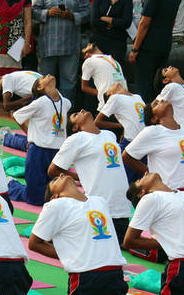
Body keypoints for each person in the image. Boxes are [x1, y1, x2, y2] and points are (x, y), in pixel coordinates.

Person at [22, 175, 128, 295]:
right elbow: (35, 243)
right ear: (55, 196)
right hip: (87, 277)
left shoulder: (98, 201)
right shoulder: (55, 206)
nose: (61, 174)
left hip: (114, 274)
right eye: (54, 180)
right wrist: (71, 256)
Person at [48, 110, 132, 242]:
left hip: (123, 210)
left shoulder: (109, 135)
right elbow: (53, 170)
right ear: (75, 127)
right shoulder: (76, 139)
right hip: (99, 208)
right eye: (76, 114)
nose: (81, 110)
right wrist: (80, 177)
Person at [122, 99, 184, 204]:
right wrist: (150, 173)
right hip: (171, 194)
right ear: (154, 118)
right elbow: (126, 156)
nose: (162, 100)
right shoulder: (152, 132)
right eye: (155, 104)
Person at [11, 74, 70, 206]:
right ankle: (11, 184)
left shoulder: (65, 102)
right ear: (40, 87)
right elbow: (17, 115)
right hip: (38, 150)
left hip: (57, 151)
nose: (48, 75)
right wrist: (29, 135)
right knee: (35, 197)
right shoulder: (40, 102)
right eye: (43, 78)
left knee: (54, 192)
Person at [31, 0, 89, 101]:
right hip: (48, 45)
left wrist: (72, 16)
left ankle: (65, 112)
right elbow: (33, 11)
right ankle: (44, 111)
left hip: (70, 46)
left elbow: (88, 13)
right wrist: (47, 12)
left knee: (69, 83)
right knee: (44, 82)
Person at [129, 0, 180, 102]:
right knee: (159, 86)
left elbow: (144, 23)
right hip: (165, 44)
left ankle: (145, 118)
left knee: (144, 87)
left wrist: (135, 48)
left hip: (147, 46)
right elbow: (172, 22)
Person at [95, 83, 146, 182]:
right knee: (125, 181)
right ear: (110, 94)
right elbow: (97, 122)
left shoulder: (137, 96)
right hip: (131, 143)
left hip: (145, 144)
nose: (114, 84)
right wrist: (120, 126)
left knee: (141, 183)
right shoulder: (115, 98)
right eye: (110, 88)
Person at [90, 0, 133, 68]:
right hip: (99, 41)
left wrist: (107, 19)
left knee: (114, 73)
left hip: (117, 43)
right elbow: (94, 20)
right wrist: (114, 23)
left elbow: (126, 22)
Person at [156, 65, 184, 143]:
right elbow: (155, 104)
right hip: (182, 132)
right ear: (166, 80)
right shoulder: (171, 87)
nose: (170, 67)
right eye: (166, 70)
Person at [80, 44, 128, 111]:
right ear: (86, 55)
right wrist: (104, 94)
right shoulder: (89, 61)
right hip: (108, 103)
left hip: (124, 102)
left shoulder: (112, 59)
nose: (89, 44)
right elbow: (84, 87)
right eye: (85, 47)